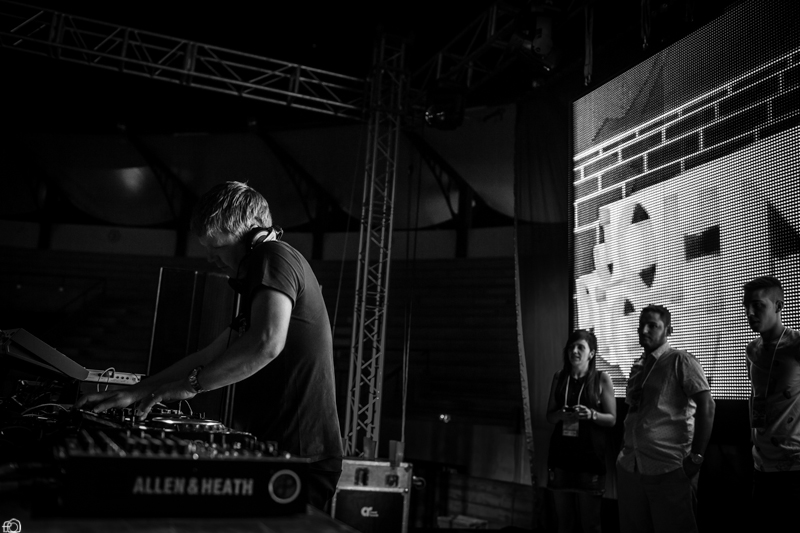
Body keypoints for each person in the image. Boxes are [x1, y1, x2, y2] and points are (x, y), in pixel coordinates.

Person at [75, 181, 343, 512]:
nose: (210, 258)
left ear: (249, 233)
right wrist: (136, 391)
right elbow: (210, 354)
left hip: (302, 455)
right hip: (284, 450)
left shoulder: (273, 256)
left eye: (216, 246)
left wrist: (192, 385)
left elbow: (266, 344)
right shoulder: (269, 271)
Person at [616, 304, 715, 533]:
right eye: (641, 325)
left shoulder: (680, 360)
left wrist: (696, 458)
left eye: (653, 325)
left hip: (668, 468)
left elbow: (707, 406)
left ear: (668, 330)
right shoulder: (638, 366)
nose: (644, 330)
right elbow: (634, 413)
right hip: (632, 466)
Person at [742, 276, 800, 529]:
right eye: (746, 306)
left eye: (758, 305)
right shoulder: (752, 349)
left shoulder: (796, 344)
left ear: (778, 306)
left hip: (794, 466)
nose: (750, 313)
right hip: (761, 464)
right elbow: (756, 397)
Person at [546, 329, 616, 533]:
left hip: (589, 461)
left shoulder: (602, 378)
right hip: (561, 459)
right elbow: (549, 416)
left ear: (591, 353)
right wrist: (560, 415)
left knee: (591, 525)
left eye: (580, 347)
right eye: (571, 347)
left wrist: (591, 415)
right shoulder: (559, 377)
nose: (574, 351)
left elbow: (612, 419)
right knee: (564, 523)